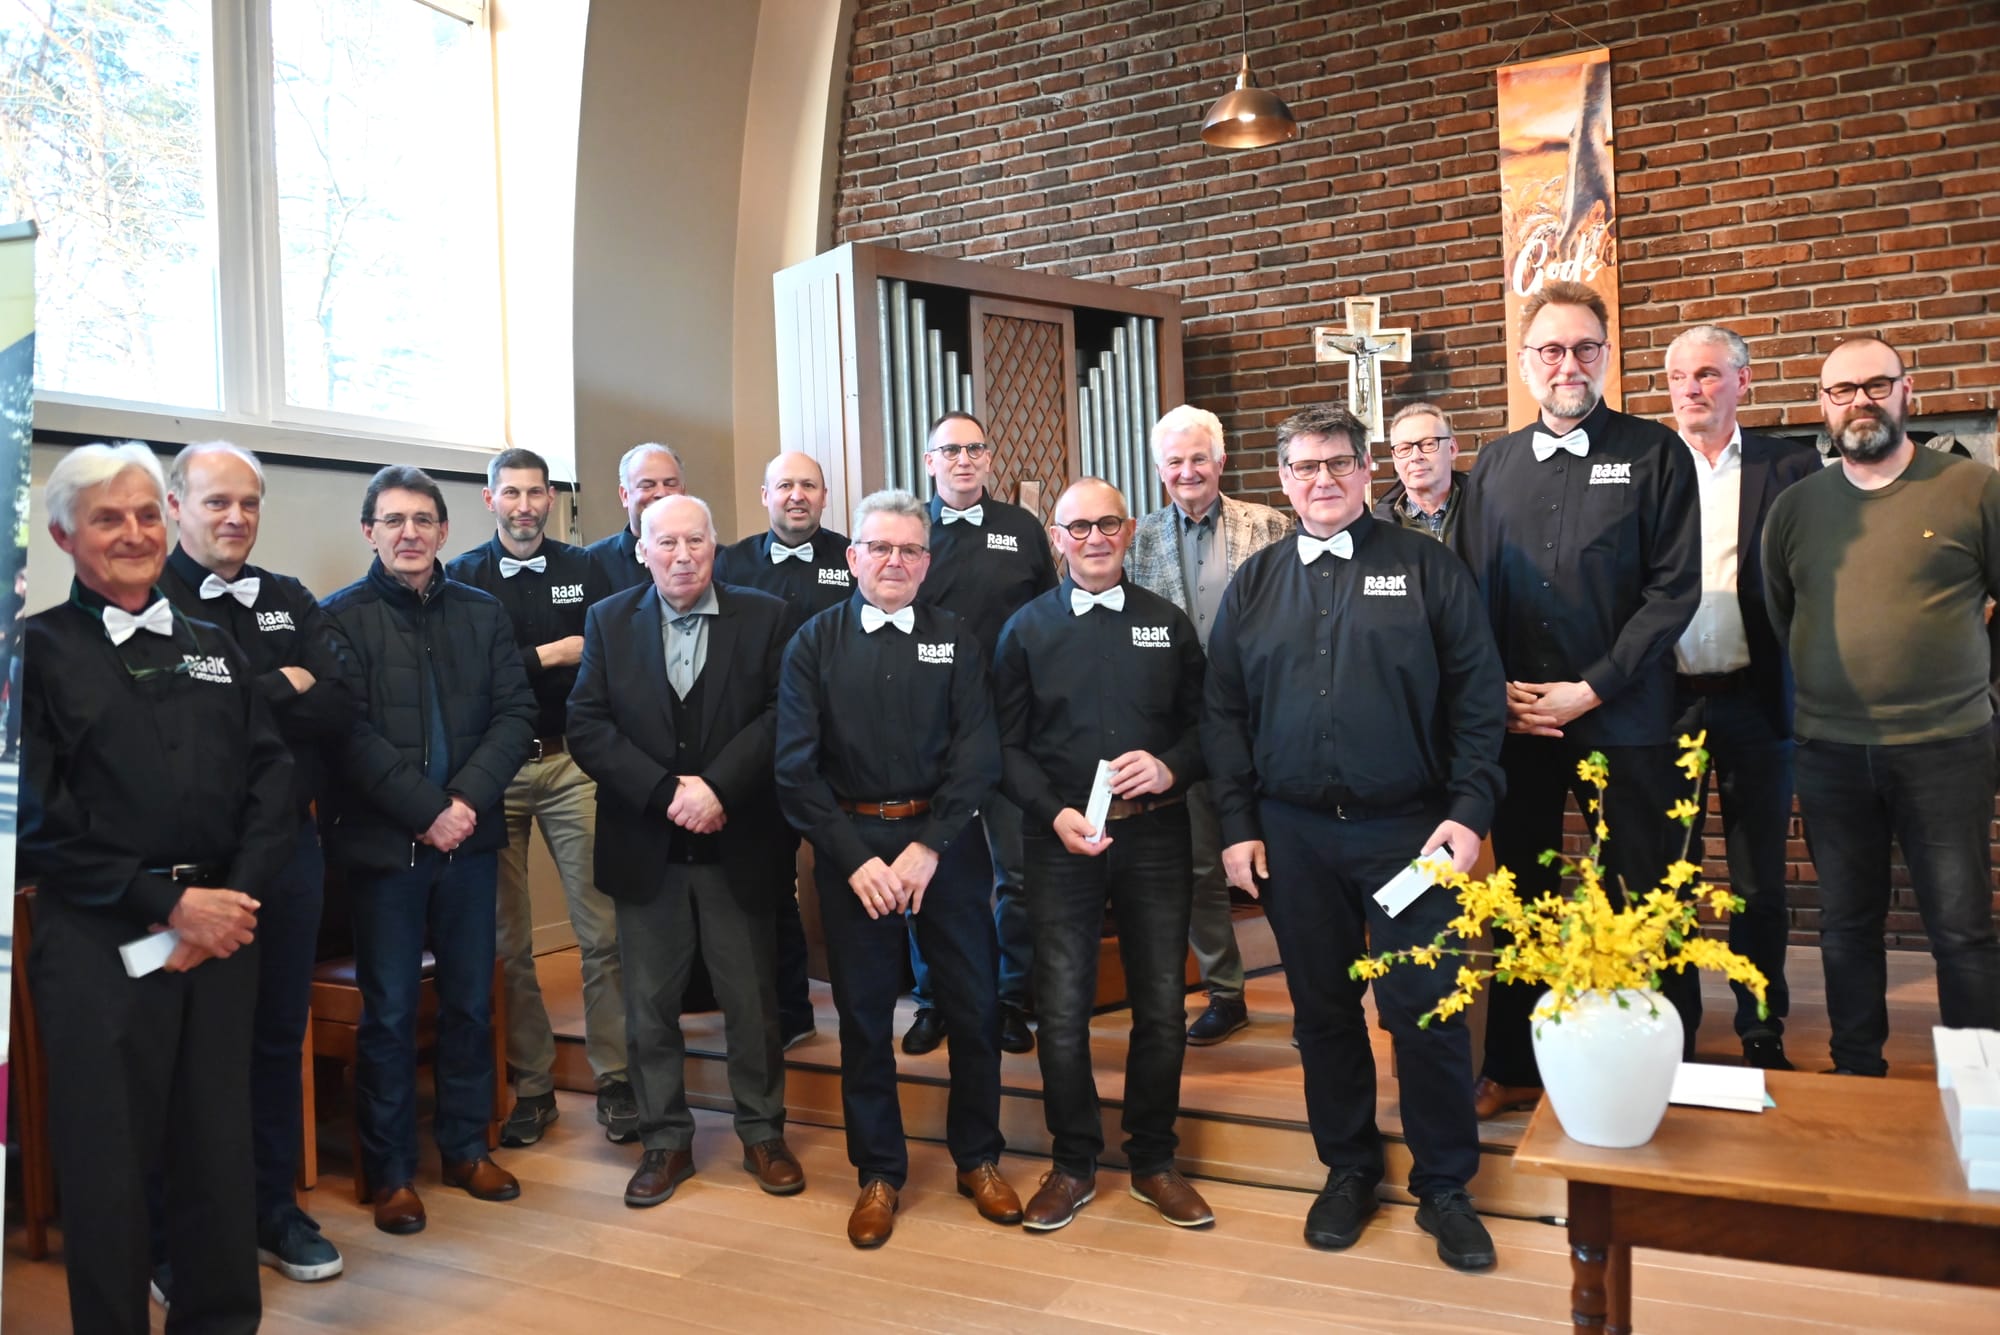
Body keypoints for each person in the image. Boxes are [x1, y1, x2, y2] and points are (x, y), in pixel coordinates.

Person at [1206, 405, 1505, 1271]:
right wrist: (1237, 825)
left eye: (1338, 462)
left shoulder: (1426, 567)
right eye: (1305, 467)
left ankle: (1445, 1185)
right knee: (1322, 1013)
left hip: (1411, 833)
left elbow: (1479, 699)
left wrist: (1470, 810)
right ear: (1283, 480)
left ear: (1367, 468)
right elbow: (1223, 713)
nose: (1323, 480)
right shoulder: (1255, 584)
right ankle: (1348, 1167)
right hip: (1294, 837)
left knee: (1426, 1010)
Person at [22, 442, 293, 1334]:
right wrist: (167, 906)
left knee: (217, 1151)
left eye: (146, 514)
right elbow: (34, 817)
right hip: (100, 943)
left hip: (222, 937)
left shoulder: (215, 645)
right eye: (108, 518)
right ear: (64, 535)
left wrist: (228, 905)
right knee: (107, 1163)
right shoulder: (32, 655)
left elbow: (272, 780)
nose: (135, 532)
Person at [1456, 279, 1700, 1118]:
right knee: (1521, 895)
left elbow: (1673, 592)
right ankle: (1515, 1065)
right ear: (1526, 361)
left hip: (1625, 718)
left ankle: (1665, 1061)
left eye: (1585, 348)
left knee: (1645, 892)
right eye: (1552, 349)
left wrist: (1589, 688)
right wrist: (1498, 691)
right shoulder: (1493, 466)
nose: (1569, 364)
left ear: (1606, 355)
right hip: (1520, 723)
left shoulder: (1655, 453)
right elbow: (1468, 595)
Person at [775, 489, 1020, 1249]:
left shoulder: (957, 640)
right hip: (851, 850)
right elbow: (794, 770)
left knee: (974, 1007)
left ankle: (978, 1157)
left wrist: (928, 847)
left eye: (910, 549)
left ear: (927, 560)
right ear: (853, 558)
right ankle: (879, 1171)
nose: (894, 561)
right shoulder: (813, 643)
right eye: (879, 547)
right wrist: (856, 861)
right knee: (862, 1017)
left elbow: (979, 755)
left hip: (945, 846)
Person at [1765, 336, 2000, 1075]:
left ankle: (1981, 1090)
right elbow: (1783, 615)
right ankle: (1856, 1073)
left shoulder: (1972, 489)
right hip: (1831, 752)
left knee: (1961, 929)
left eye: (1875, 384)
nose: (1859, 401)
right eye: (1841, 390)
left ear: (1906, 391)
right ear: (1823, 406)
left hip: (1947, 746)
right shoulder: (1796, 508)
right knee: (1845, 926)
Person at [568, 494, 804, 1207]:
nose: (681, 555)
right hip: (647, 847)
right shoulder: (608, 620)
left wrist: (718, 788)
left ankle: (763, 1133)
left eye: (694, 541)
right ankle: (665, 1142)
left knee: (751, 1001)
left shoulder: (766, 617)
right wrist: (666, 791)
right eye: (665, 543)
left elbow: (782, 715)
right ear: (642, 550)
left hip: (740, 843)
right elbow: (587, 724)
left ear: (715, 546)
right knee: (648, 1006)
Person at [155, 441, 353, 1286]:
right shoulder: (145, 600)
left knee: (276, 1037)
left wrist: (240, 694)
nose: (236, 517)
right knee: (189, 1051)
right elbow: (170, 720)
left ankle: (274, 1207)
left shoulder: (288, 596)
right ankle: (181, 1234)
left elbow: (339, 700)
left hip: (291, 856)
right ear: (175, 506)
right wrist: (280, 683)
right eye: (216, 502)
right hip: (190, 872)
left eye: (249, 502)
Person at [319, 465, 537, 1234]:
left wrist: (463, 804)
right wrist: (425, 810)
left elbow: (515, 714)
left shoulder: (483, 611)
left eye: (422, 520)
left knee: (471, 1002)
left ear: (445, 531)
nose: (408, 532)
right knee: (390, 1012)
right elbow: (346, 734)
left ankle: (466, 1148)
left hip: (469, 844)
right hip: (388, 851)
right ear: (369, 531)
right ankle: (391, 1174)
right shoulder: (337, 619)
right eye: (393, 520)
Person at [994, 478, 1215, 1232]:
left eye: (1108, 524)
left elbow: (1208, 727)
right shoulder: (1024, 630)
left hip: (1156, 834)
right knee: (1061, 1010)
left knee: (1162, 1005)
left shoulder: (1167, 623)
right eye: (1078, 527)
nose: (1094, 538)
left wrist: (1171, 767)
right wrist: (1052, 812)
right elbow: (1005, 746)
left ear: (1129, 532)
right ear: (1056, 539)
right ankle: (1073, 1162)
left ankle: (1153, 1160)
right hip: (1060, 839)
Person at [445, 448, 634, 1147]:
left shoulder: (586, 569)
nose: (523, 506)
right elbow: (470, 678)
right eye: (511, 493)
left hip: (571, 763)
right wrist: (550, 655)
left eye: (535, 493)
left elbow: (609, 654)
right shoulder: (461, 577)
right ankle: (530, 1084)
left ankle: (616, 1077)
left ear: (551, 498)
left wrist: (535, 664)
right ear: (489, 499)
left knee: (602, 929)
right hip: (492, 772)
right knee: (508, 941)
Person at [1660, 326, 1817, 1070]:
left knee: (1758, 879)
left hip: (1757, 698)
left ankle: (1761, 1024)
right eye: (1679, 377)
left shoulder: (1790, 465)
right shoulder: (1651, 467)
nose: (1692, 389)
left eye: (1708, 374)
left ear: (1742, 382)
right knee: (1671, 874)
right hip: (1667, 703)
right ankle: (1675, 1025)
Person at [1126, 404, 1291, 1045]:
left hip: (1263, 722)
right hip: (1184, 731)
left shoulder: (1271, 526)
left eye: (1199, 458)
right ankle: (1226, 992)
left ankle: (1317, 994)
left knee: (1280, 861)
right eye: (1175, 461)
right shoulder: (1137, 540)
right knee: (1199, 870)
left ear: (1221, 461)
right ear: (1159, 469)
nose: (1188, 471)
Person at [906, 411, 1058, 1056]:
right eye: (950, 450)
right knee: (927, 869)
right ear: (930, 462)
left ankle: (1010, 998)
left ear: (989, 459)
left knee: (1016, 874)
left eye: (974, 449)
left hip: (1008, 730)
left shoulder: (1021, 529)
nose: (963, 460)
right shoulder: (910, 532)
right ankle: (934, 999)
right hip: (930, 731)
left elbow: (1050, 617)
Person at [714, 450, 856, 1048]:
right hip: (763, 746)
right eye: (785, 486)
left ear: (824, 496)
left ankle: (865, 1017)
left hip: (843, 749)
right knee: (770, 886)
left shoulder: (853, 557)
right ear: (765, 495)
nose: (797, 495)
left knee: (847, 882)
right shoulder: (730, 562)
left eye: (808, 485)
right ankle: (789, 1013)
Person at [584, 441, 685, 596]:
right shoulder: (591, 563)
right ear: (625, 495)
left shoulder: (713, 558)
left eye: (670, 484)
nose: (661, 493)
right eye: (647, 485)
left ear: (683, 492)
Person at [1373, 402, 1468, 544]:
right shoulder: (1379, 532)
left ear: (1452, 449)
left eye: (1428, 444)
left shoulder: (1487, 511)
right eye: (1404, 448)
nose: (1415, 456)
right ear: (1394, 459)